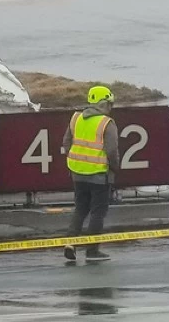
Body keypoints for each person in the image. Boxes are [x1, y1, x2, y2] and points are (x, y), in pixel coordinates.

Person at [61, 85, 120, 263]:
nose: (111, 107)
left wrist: (77, 161)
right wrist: (115, 168)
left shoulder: (76, 118)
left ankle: (70, 243)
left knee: (80, 209)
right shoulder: (106, 123)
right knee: (97, 212)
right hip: (99, 175)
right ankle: (92, 250)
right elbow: (112, 151)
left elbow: (66, 143)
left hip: (77, 173)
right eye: (110, 104)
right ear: (104, 104)